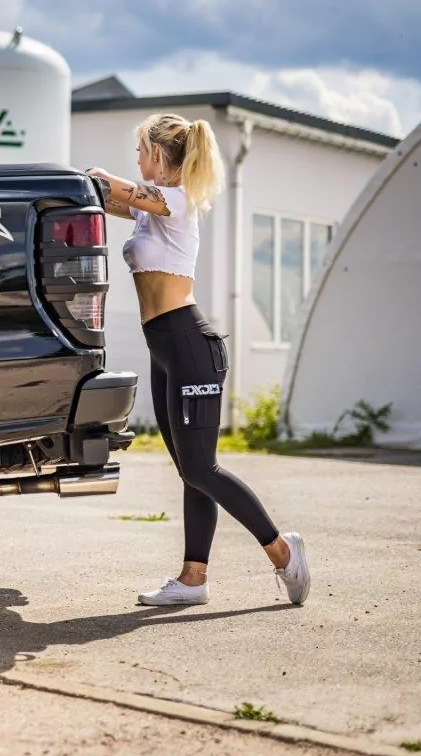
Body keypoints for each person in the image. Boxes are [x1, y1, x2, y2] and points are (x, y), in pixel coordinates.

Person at [86, 113, 310, 606]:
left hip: (190, 346)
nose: (138, 160)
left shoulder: (179, 202)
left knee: (201, 468)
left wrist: (103, 178)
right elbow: (107, 199)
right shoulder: (152, 210)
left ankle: (283, 553)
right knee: (191, 469)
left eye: (142, 151)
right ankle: (193, 579)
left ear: (161, 156)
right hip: (163, 347)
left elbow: (117, 188)